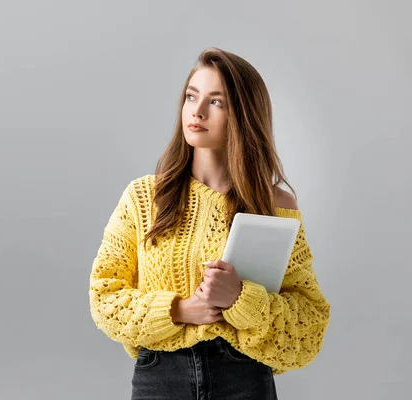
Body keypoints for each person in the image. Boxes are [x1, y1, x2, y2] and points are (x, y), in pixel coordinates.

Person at [88, 47, 331, 400]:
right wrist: (181, 310)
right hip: (160, 378)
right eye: (191, 96)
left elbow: (309, 326)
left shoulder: (275, 206)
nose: (197, 111)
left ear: (243, 115)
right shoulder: (144, 198)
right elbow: (103, 298)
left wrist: (240, 299)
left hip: (243, 377)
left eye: (216, 102)